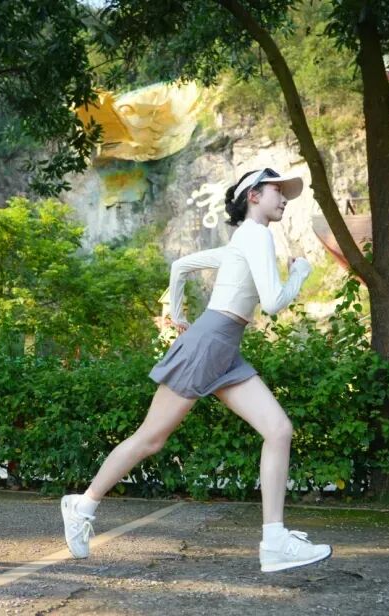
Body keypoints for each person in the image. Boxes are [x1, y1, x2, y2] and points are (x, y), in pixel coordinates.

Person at [60, 168, 332, 573]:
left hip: (224, 348)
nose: (284, 199)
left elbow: (181, 266)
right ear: (253, 196)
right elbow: (274, 302)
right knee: (151, 438)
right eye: (277, 191)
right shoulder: (255, 236)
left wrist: (177, 312)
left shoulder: (243, 241)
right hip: (209, 343)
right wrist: (299, 274)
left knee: (278, 430)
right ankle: (82, 506)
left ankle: (275, 541)